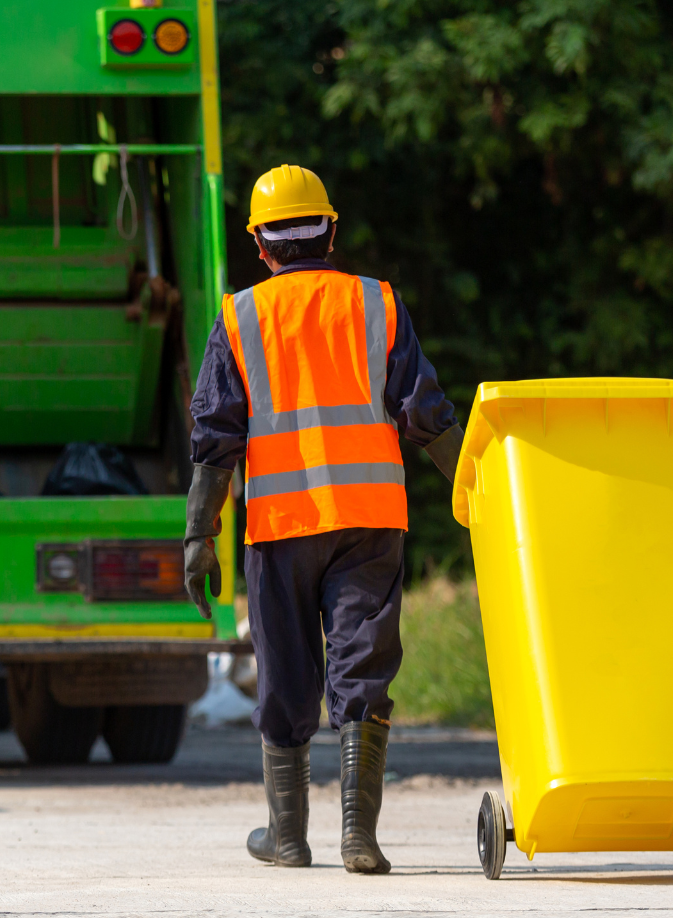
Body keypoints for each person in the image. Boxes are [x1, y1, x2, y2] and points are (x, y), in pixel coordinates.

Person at [183, 164, 462, 874]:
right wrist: (474, 490)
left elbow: (216, 440)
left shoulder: (240, 316)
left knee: (285, 673)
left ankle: (287, 835)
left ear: (261, 245)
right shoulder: (378, 304)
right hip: (369, 518)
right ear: (331, 231)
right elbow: (426, 416)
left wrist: (197, 535)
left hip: (279, 524)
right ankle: (357, 837)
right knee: (361, 665)